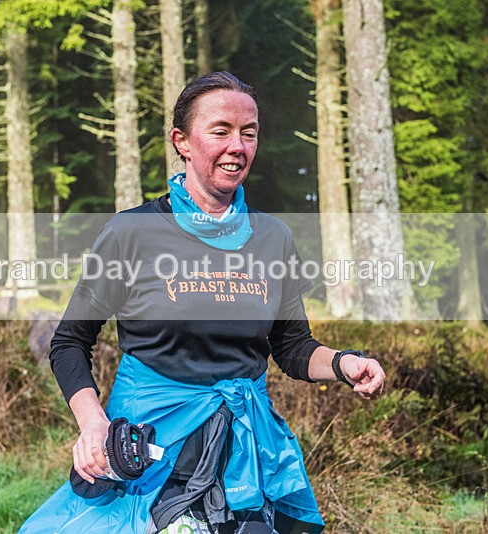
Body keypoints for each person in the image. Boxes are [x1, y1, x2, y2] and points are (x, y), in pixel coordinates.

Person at [19, 71, 386, 534]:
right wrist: (93, 424)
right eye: (221, 131)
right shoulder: (131, 233)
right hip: (152, 451)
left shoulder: (273, 237)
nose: (238, 146)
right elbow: (69, 342)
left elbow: (292, 347)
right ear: (182, 142)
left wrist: (344, 363)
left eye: (249, 133)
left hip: (245, 454)